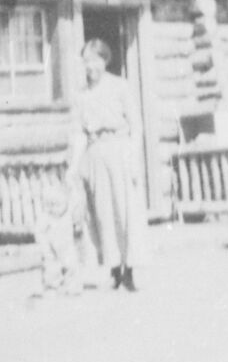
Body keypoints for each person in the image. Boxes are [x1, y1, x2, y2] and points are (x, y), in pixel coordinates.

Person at [68, 38, 145, 292]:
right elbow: (79, 133)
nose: (91, 66)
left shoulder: (120, 87)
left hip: (119, 150)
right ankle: (113, 270)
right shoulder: (81, 95)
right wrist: (75, 166)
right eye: (87, 60)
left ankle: (129, 269)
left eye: (96, 60)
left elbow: (135, 126)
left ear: (105, 60)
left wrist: (133, 159)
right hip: (95, 152)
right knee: (102, 215)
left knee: (125, 212)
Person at [34, 181, 83, 297]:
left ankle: (71, 285)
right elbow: (39, 231)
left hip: (67, 247)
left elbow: (77, 202)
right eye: (50, 205)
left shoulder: (67, 215)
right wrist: (44, 246)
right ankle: (51, 287)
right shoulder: (46, 217)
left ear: (66, 204)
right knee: (51, 268)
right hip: (51, 250)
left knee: (71, 266)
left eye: (57, 205)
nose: (53, 209)